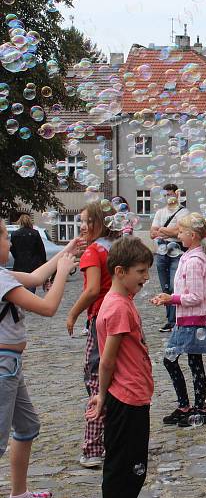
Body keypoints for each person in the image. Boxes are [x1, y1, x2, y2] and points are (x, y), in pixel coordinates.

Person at [0, 219, 82, 498]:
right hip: (3, 367)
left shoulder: (2, 274)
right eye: (4, 237)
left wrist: (67, 250)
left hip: (10, 365)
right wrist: (62, 272)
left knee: (27, 426)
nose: (10, 242)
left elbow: (35, 277)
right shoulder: (0, 279)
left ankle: (19, 494)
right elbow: (47, 307)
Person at [86, 237, 154, 498]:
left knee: (127, 466)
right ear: (120, 271)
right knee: (124, 469)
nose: (146, 277)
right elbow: (107, 360)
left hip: (131, 395)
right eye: (141, 271)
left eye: (147, 270)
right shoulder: (119, 308)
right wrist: (102, 395)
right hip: (127, 398)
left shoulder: (120, 300)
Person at [65, 201, 121, 468]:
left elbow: (91, 290)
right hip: (118, 318)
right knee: (116, 380)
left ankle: (93, 448)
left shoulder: (93, 252)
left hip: (99, 320)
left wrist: (73, 313)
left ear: (99, 223)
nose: (82, 226)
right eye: (81, 221)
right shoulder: (117, 249)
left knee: (96, 381)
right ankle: (116, 440)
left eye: (87, 221)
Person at [151, 213, 206, 427]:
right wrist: (169, 298)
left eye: (180, 232)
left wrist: (172, 299)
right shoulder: (189, 257)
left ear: (193, 235)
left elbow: (196, 297)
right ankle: (189, 407)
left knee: (176, 361)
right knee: (189, 362)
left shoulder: (195, 261)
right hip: (187, 319)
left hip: (193, 320)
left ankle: (196, 408)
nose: (177, 235)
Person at [150, 184, 189, 332]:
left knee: (175, 286)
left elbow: (179, 231)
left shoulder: (183, 212)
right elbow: (152, 233)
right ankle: (170, 320)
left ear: (177, 195)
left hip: (176, 251)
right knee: (165, 287)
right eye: (166, 195)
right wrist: (167, 232)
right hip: (161, 252)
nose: (168, 197)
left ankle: (175, 321)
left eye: (171, 194)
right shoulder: (160, 212)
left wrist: (162, 230)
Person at [10, 214, 46, 294]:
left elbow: (12, 249)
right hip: (32, 264)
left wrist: (18, 257)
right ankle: (29, 303)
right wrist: (42, 262)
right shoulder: (35, 233)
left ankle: (24, 303)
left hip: (19, 264)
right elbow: (41, 250)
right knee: (31, 286)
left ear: (20, 222)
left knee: (21, 286)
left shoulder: (14, 234)